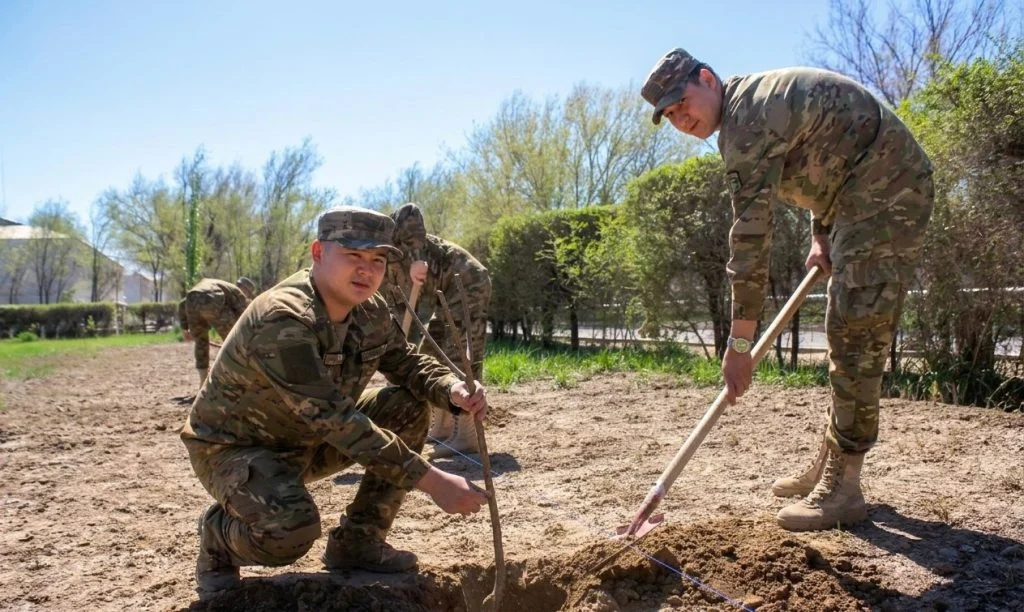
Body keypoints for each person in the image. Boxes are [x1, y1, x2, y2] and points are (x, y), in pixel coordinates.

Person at [641, 48, 933, 531]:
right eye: (670, 115)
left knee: (856, 330)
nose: (681, 119)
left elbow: (750, 240)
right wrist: (822, 233)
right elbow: (829, 152)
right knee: (844, 328)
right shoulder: (746, 109)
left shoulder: (747, 120)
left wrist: (739, 344)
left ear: (707, 79)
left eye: (682, 103)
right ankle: (832, 461)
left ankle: (844, 487)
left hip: (889, 187)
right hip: (855, 193)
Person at [180, 206, 490, 597]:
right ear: (318, 253)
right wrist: (434, 481)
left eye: (378, 260)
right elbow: (335, 420)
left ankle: (358, 542)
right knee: (291, 529)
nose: (366, 270)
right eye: (353, 255)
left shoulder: (370, 310)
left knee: (406, 407)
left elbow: (405, 361)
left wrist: (451, 389)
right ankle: (217, 537)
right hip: (234, 450)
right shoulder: (283, 319)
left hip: (307, 439)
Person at [385, 203, 492, 459]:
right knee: (430, 354)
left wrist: (398, 362)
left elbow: (413, 314)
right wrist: (396, 360)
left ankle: (466, 434)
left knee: (459, 355)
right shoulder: (387, 257)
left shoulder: (417, 253)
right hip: (444, 296)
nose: (413, 247)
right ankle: (443, 427)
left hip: (468, 285)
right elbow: (401, 317)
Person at [177, 277, 256, 387]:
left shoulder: (217, 285)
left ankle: (203, 380)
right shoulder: (237, 293)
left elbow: (182, 304)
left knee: (201, 343)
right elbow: (243, 318)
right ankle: (234, 378)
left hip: (192, 300)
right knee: (233, 341)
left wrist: (185, 328)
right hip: (212, 299)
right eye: (249, 293)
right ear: (245, 289)